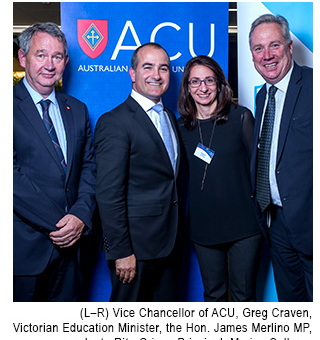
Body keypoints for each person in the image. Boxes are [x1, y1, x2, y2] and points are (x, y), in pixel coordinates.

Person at [13, 21, 96, 301]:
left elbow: (88, 167)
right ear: (23, 58)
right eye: (41, 55)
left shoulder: (78, 110)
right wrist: (62, 223)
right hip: (23, 253)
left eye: (57, 56)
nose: (49, 64)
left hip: (73, 254)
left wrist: (81, 216)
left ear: (65, 61)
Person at [94, 42, 182, 299]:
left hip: (169, 245)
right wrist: (121, 251)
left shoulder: (169, 117)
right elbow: (109, 194)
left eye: (163, 68)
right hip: (134, 252)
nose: (156, 75)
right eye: (148, 67)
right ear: (132, 74)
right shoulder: (115, 122)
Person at [178, 55, 261, 300]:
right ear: (187, 87)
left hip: (244, 226)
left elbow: (259, 169)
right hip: (204, 227)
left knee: (243, 296)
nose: (202, 88)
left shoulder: (241, 117)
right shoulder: (181, 127)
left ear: (220, 84)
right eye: (195, 82)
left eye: (209, 80)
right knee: (213, 296)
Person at [250, 13, 313, 300]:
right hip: (275, 222)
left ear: (289, 47)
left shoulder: (313, 85)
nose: (267, 55)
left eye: (274, 45)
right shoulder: (263, 95)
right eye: (258, 49)